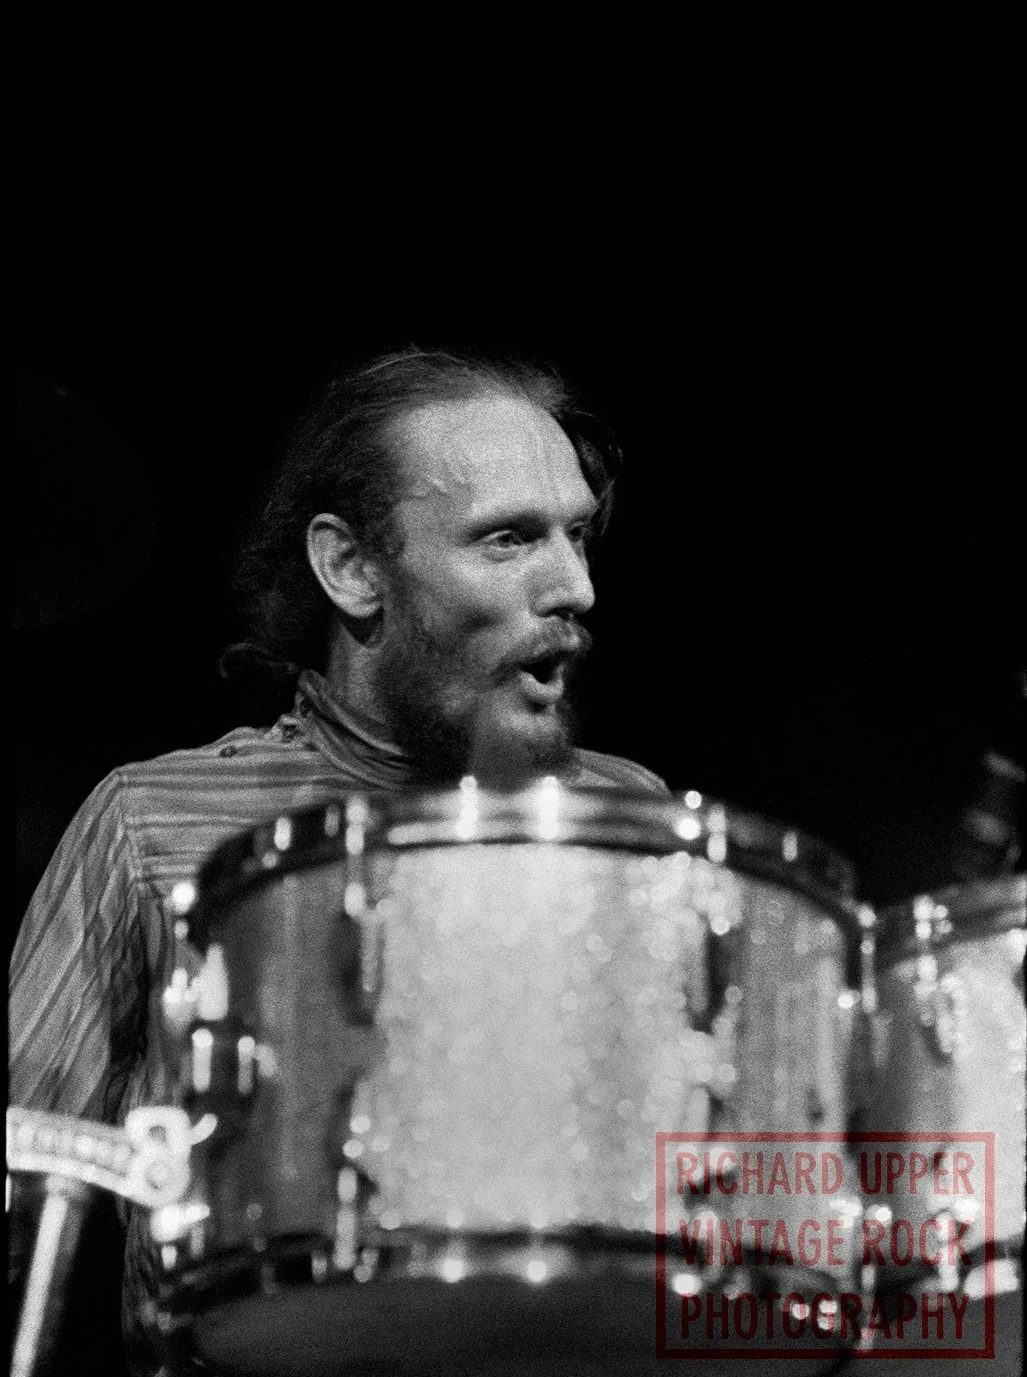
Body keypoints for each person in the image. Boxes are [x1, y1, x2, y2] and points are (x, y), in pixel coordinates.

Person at [9, 347, 668, 1375]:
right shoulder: (152, 822)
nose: (575, 586)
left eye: (578, 536)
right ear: (352, 569)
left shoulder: (631, 820)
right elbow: (15, 1194)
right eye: (508, 540)